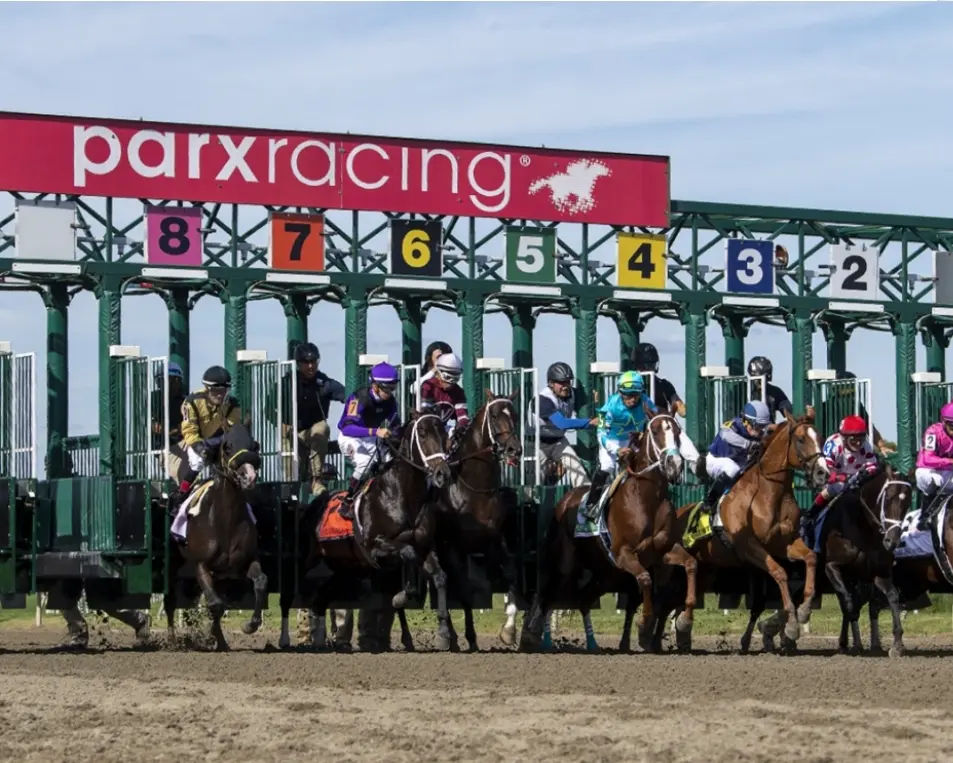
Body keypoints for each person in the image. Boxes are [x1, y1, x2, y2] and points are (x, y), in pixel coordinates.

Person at [584, 371, 656, 518]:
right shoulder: (609, 407)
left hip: (633, 439)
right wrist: (616, 450)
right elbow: (601, 433)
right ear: (620, 392)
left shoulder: (646, 402)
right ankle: (590, 505)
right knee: (607, 466)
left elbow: (657, 418)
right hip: (611, 440)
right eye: (628, 395)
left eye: (635, 394)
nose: (632, 399)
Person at [336, 362, 403, 519]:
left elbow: (396, 425)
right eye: (387, 388)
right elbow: (347, 428)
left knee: (391, 461)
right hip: (350, 437)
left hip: (372, 436)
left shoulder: (391, 402)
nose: (390, 392)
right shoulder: (357, 399)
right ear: (375, 386)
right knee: (365, 462)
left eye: (393, 387)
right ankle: (348, 500)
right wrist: (375, 431)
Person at [802, 415, 879, 545]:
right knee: (837, 487)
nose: (858, 443)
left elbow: (873, 465)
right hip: (836, 479)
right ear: (844, 437)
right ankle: (811, 514)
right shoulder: (834, 445)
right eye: (854, 439)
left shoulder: (866, 446)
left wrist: (866, 473)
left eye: (861, 438)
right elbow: (827, 470)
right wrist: (841, 477)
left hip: (858, 478)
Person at [172, 365, 242, 505]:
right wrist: (200, 448)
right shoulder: (191, 402)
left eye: (224, 391)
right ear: (207, 388)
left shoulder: (233, 404)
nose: (220, 395)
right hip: (196, 440)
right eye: (216, 391)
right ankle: (182, 494)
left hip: (221, 441)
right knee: (197, 462)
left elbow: (232, 429)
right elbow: (189, 430)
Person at [285, 342, 347, 496]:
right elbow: (269, 408)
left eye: (314, 362)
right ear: (298, 364)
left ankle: (316, 480)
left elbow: (348, 395)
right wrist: (283, 423)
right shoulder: (287, 382)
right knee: (285, 436)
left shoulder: (323, 383)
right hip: (293, 431)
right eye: (306, 362)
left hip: (313, 432)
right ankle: (289, 485)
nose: (311, 366)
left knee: (321, 428)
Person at [700, 400, 772, 517]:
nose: (761, 430)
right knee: (732, 468)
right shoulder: (733, 425)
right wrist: (749, 444)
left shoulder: (755, 432)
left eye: (763, 426)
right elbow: (726, 435)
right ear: (746, 421)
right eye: (758, 426)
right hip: (715, 461)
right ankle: (709, 501)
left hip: (740, 466)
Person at [535, 362, 598, 487]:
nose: (565, 386)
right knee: (536, 481)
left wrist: (595, 398)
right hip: (537, 443)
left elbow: (591, 396)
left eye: (568, 382)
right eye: (561, 383)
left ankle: (584, 497)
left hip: (558, 441)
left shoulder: (571, 393)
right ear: (551, 383)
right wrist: (589, 422)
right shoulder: (543, 399)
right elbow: (561, 423)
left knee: (576, 466)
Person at [915, 402, 953, 530]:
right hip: (927, 470)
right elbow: (928, 459)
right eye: (951, 425)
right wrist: (950, 461)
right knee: (935, 480)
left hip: (948, 473)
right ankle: (925, 515)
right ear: (944, 421)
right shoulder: (932, 432)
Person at [418, 352, 469, 440]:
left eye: (455, 379)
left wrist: (460, 429)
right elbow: (426, 416)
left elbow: (462, 417)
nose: (450, 384)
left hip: (443, 429)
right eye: (447, 377)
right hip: (424, 429)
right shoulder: (428, 387)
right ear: (438, 372)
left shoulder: (459, 392)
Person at [631, 342, 686, 417]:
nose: (652, 368)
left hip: (661, 425)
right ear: (639, 366)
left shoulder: (665, 385)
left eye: (653, 365)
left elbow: (682, 411)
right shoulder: (630, 386)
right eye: (649, 365)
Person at [154, 362, 187, 478]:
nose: (172, 384)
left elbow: (187, 425)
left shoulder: (185, 401)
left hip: (184, 445)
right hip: (161, 448)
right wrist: (172, 430)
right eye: (169, 380)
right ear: (160, 382)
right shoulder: (153, 399)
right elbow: (154, 427)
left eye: (175, 381)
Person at [746, 356, 794, 423]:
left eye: (765, 379)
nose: (762, 382)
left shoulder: (775, 391)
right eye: (759, 379)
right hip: (746, 430)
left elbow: (790, 412)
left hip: (769, 431)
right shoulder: (742, 390)